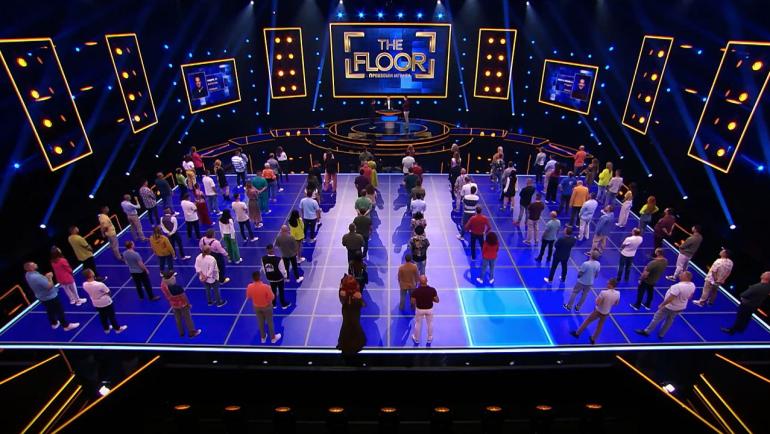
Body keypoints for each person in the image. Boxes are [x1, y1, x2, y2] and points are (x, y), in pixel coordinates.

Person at [635, 271, 696, 338]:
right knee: (669, 320)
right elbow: (690, 296)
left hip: (669, 306)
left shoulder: (677, 286)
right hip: (680, 307)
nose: (679, 275)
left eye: (681, 274)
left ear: (685, 277)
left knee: (657, 318)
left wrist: (662, 305)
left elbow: (671, 298)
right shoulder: (692, 285)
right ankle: (661, 334)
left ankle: (647, 331)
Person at [25, 262, 80, 331]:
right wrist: (50, 278)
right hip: (50, 297)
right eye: (33, 264)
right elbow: (49, 286)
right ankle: (66, 326)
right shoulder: (36, 277)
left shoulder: (27, 274)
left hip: (42, 297)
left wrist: (45, 278)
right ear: (30, 268)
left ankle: (54, 323)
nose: (36, 264)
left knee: (50, 310)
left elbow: (40, 283)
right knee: (59, 310)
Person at [570, 278, 620, 344]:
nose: (607, 284)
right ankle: (593, 339)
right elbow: (616, 303)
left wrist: (597, 299)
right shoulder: (618, 293)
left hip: (598, 311)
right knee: (599, 327)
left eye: (608, 283)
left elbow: (597, 303)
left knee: (587, 321)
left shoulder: (603, 293)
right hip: (606, 312)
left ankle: (577, 333)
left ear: (611, 285)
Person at [82, 269, 127, 334]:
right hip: (105, 302)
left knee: (102, 316)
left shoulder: (84, 284)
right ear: (90, 274)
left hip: (96, 303)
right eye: (92, 271)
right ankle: (117, 329)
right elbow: (108, 292)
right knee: (111, 316)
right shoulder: (100, 284)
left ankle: (106, 329)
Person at [160, 270, 201, 338]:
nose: (174, 277)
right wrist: (188, 304)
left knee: (178, 319)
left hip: (173, 304)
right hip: (182, 304)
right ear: (171, 279)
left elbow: (163, 280)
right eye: (173, 277)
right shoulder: (177, 288)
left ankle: (181, 332)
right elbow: (184, 297)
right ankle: (192, 332)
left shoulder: (163, 286)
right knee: (187, 318)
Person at [247, 270, 282, 343]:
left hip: (257, 307)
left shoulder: (249, 286)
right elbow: (272, 297)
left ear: (252, 278)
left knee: (260, 322)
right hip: (267, 307)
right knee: (270, 322)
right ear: (260, 277)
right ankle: (273, 338)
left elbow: (249, 296)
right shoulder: (266, 287)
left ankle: (263, 337)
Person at [337, 274, 365, 360]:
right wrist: (359, 298)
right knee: (354, 326)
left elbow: (342, 299)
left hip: (348, 313)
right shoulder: (356, 294)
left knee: (347, 326)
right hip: (353, 314)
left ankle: (345, 345)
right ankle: (355, 345)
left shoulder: (343, 293)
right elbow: (362, 305)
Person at [411, 275, 439, 345]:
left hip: (419, 309)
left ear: (419, 282)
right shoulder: (432, 290)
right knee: (430, 323)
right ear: (427, 281)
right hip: (429, 309)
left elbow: (413, 302)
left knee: (418, 324)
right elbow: (437, 300)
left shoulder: (415, 291)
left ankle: (416, 339)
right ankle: (429, 338)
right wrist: (430, 298)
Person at [262, 244, 290, 309]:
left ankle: (273, 304)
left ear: (267, 250)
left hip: (270, 278)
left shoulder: (263, 259)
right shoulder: (279, 259)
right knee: (281, 291)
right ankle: (283, 304)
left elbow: (264, 268)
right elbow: (282, 270)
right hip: (279, 278)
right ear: (273, 249)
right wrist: (285, 277)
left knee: (273, 291)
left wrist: (267, 275)